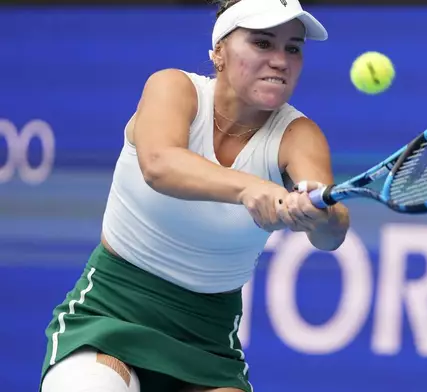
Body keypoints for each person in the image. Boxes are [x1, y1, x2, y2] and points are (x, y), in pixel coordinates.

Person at [39, 0, 349, 391]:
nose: (280, 61)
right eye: (262, 43)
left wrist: (318, 215)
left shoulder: (299, 134)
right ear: (219, 51)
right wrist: (252, 188)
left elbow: (330, 234)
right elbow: (159, 164)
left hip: (208, 339)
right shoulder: (173, 87)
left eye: (293, 48)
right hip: (111, 310)